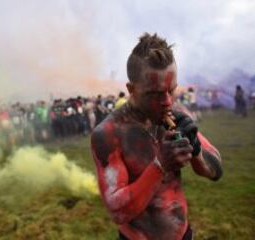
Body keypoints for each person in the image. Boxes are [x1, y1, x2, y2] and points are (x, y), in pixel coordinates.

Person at [90, 33, 222, 240]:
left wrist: (195, 147)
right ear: (131, 89)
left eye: (171, 91)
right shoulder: (109, 133)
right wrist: (160, 165)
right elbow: (118, 212)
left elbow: (216, 172)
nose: (167, 102)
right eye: (155, 94)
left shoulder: (174, 115)